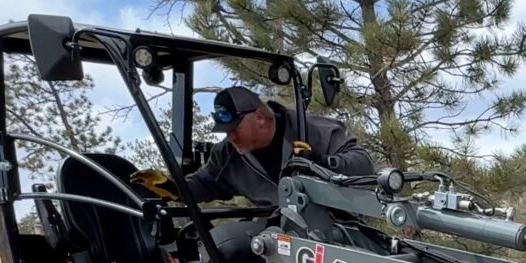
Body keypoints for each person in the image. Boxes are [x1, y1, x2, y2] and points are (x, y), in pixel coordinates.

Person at [139, 86, 372, 206]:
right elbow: (205, 183)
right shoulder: (228, 154)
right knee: (224, 247)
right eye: (225, 131)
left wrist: (322, 163)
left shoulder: (311, 129)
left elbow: (363, 165)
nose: (230, 137)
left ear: (259, 117)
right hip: (277, 236)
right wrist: (175, 188)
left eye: (234, 128)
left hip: (335, 229)